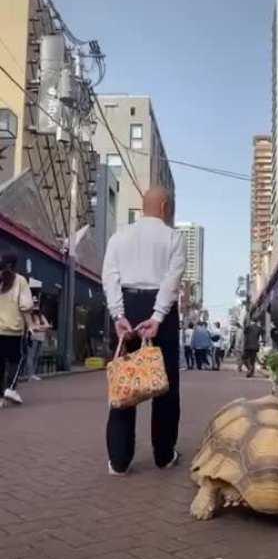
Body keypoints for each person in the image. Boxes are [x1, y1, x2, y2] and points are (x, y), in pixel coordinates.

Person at [102, 186, 186, 475]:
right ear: (164, 207)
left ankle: (119, 460)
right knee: (165, 386)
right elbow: (172, 280)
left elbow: (109, 277)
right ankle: (163, 455)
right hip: (159, 310)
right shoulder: (173, 237)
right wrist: (158, 316)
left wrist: (118, 314)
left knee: (125, 381)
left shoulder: (119, 237)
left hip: (126, 305)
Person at [0, 252, 33, 406]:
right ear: (15, 265)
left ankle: (0, 396)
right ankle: (11, 388)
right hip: (13, 329)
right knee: (18, 359)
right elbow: (25, 306)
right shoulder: (20, 281)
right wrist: (31, 326)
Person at [26, 297, 51, 381]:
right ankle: (30, 375)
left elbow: (48, 326)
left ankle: (34, 374)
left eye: (36, 303)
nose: (36, 305)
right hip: (32, 338)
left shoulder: (41, 316)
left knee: (37, 356)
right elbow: (32, 328)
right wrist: (41, 328)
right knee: (31, 356)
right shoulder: (29, 315)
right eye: (34, 303)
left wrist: (39, 328)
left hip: (41, 339)